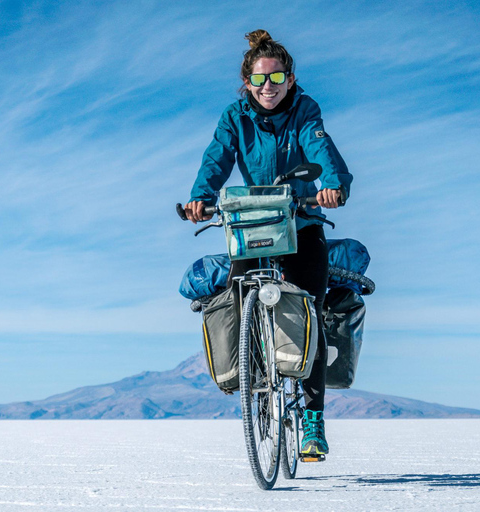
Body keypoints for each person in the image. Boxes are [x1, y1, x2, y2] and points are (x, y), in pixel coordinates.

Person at [185, 29, 352, 459]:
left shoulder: (305, 110)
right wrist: (201, 198)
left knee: (309, 311)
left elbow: (321, 145)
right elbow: (217, 157)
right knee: (241, 302)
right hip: (253, 220)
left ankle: (313, 422)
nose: (268, 89)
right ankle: (255, 378)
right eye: (259, 81)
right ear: (247, 83)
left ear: (290, 80)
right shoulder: (235, 116)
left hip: (302, 218)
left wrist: (333, 186)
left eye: (277, 80)